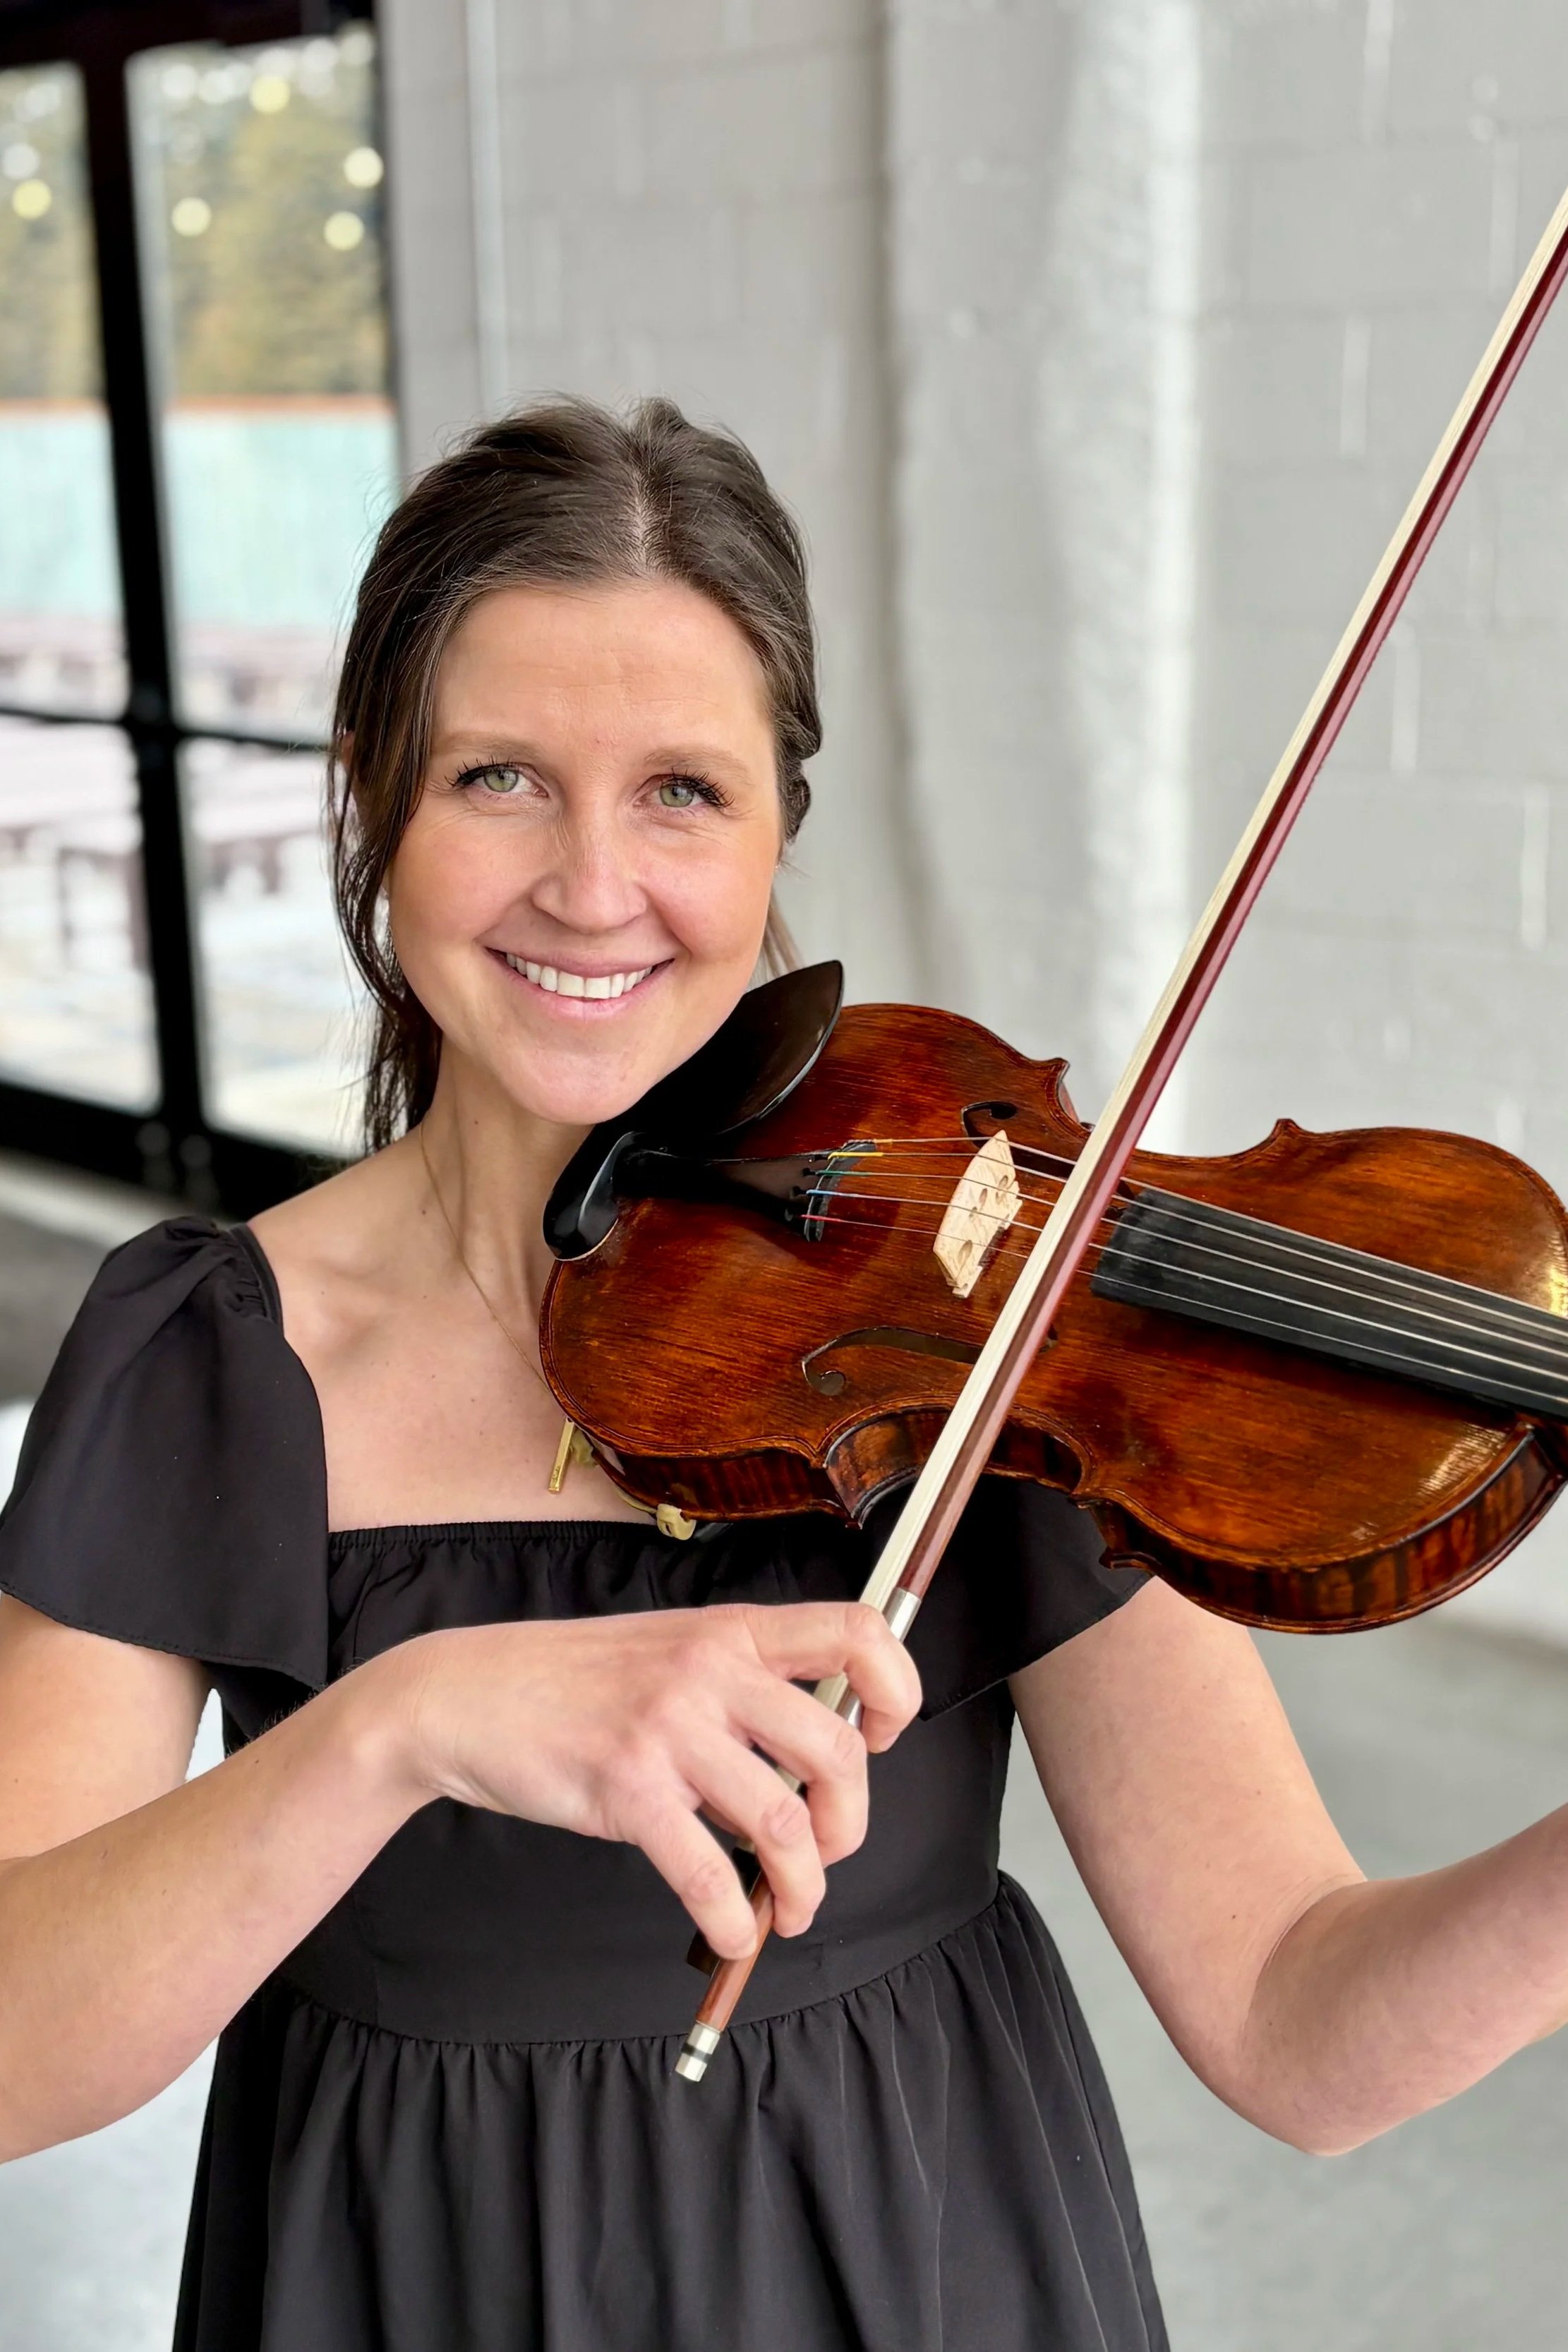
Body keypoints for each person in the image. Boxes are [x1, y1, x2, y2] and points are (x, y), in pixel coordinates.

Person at [1, 399, 1567, 2352]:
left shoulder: (996, 1333)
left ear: (775, 840)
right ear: (368, 801)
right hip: (406, 2285)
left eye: (682, 792)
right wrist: (394, 1729)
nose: (592, 884)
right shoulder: (213, 1353)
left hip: (920, 2269)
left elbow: (1296, 2021)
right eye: (499, 777)